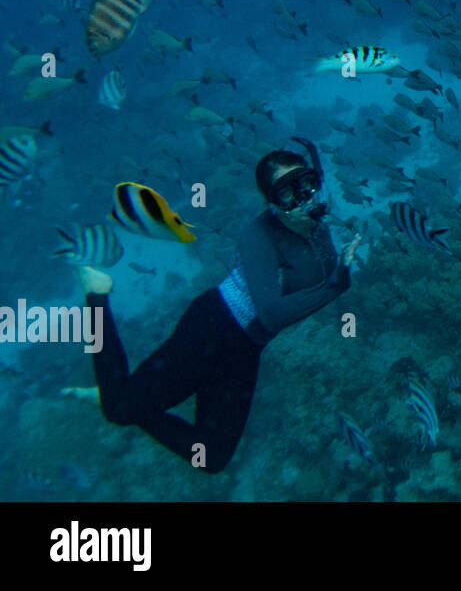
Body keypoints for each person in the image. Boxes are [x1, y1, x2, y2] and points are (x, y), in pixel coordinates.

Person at [79, 137, 359, 474]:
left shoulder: (319, 228)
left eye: (306, 185)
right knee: (118, 411)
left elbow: (312, 289)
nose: (301, 199)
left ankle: (127, 394)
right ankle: (96, 294)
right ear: (271, 202)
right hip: (211, 328)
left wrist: (335, 281)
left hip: (246, 348)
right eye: (286, 193)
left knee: (211, 458)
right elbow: (270, 315)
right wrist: (335, 286)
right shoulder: (257, 235)